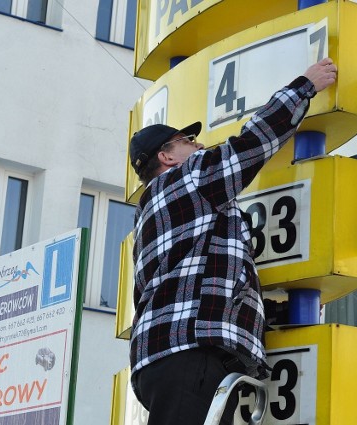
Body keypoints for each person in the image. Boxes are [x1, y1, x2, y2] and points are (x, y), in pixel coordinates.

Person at [127, 57, 337, 425]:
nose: (199, 144)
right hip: (191, 354)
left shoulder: (147, 216)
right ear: (167, 156)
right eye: (187, 141)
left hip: (160, 360)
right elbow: (250, 145)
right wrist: (303, 87)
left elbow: (202, 284)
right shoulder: (189, 179)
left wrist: (273, 314)